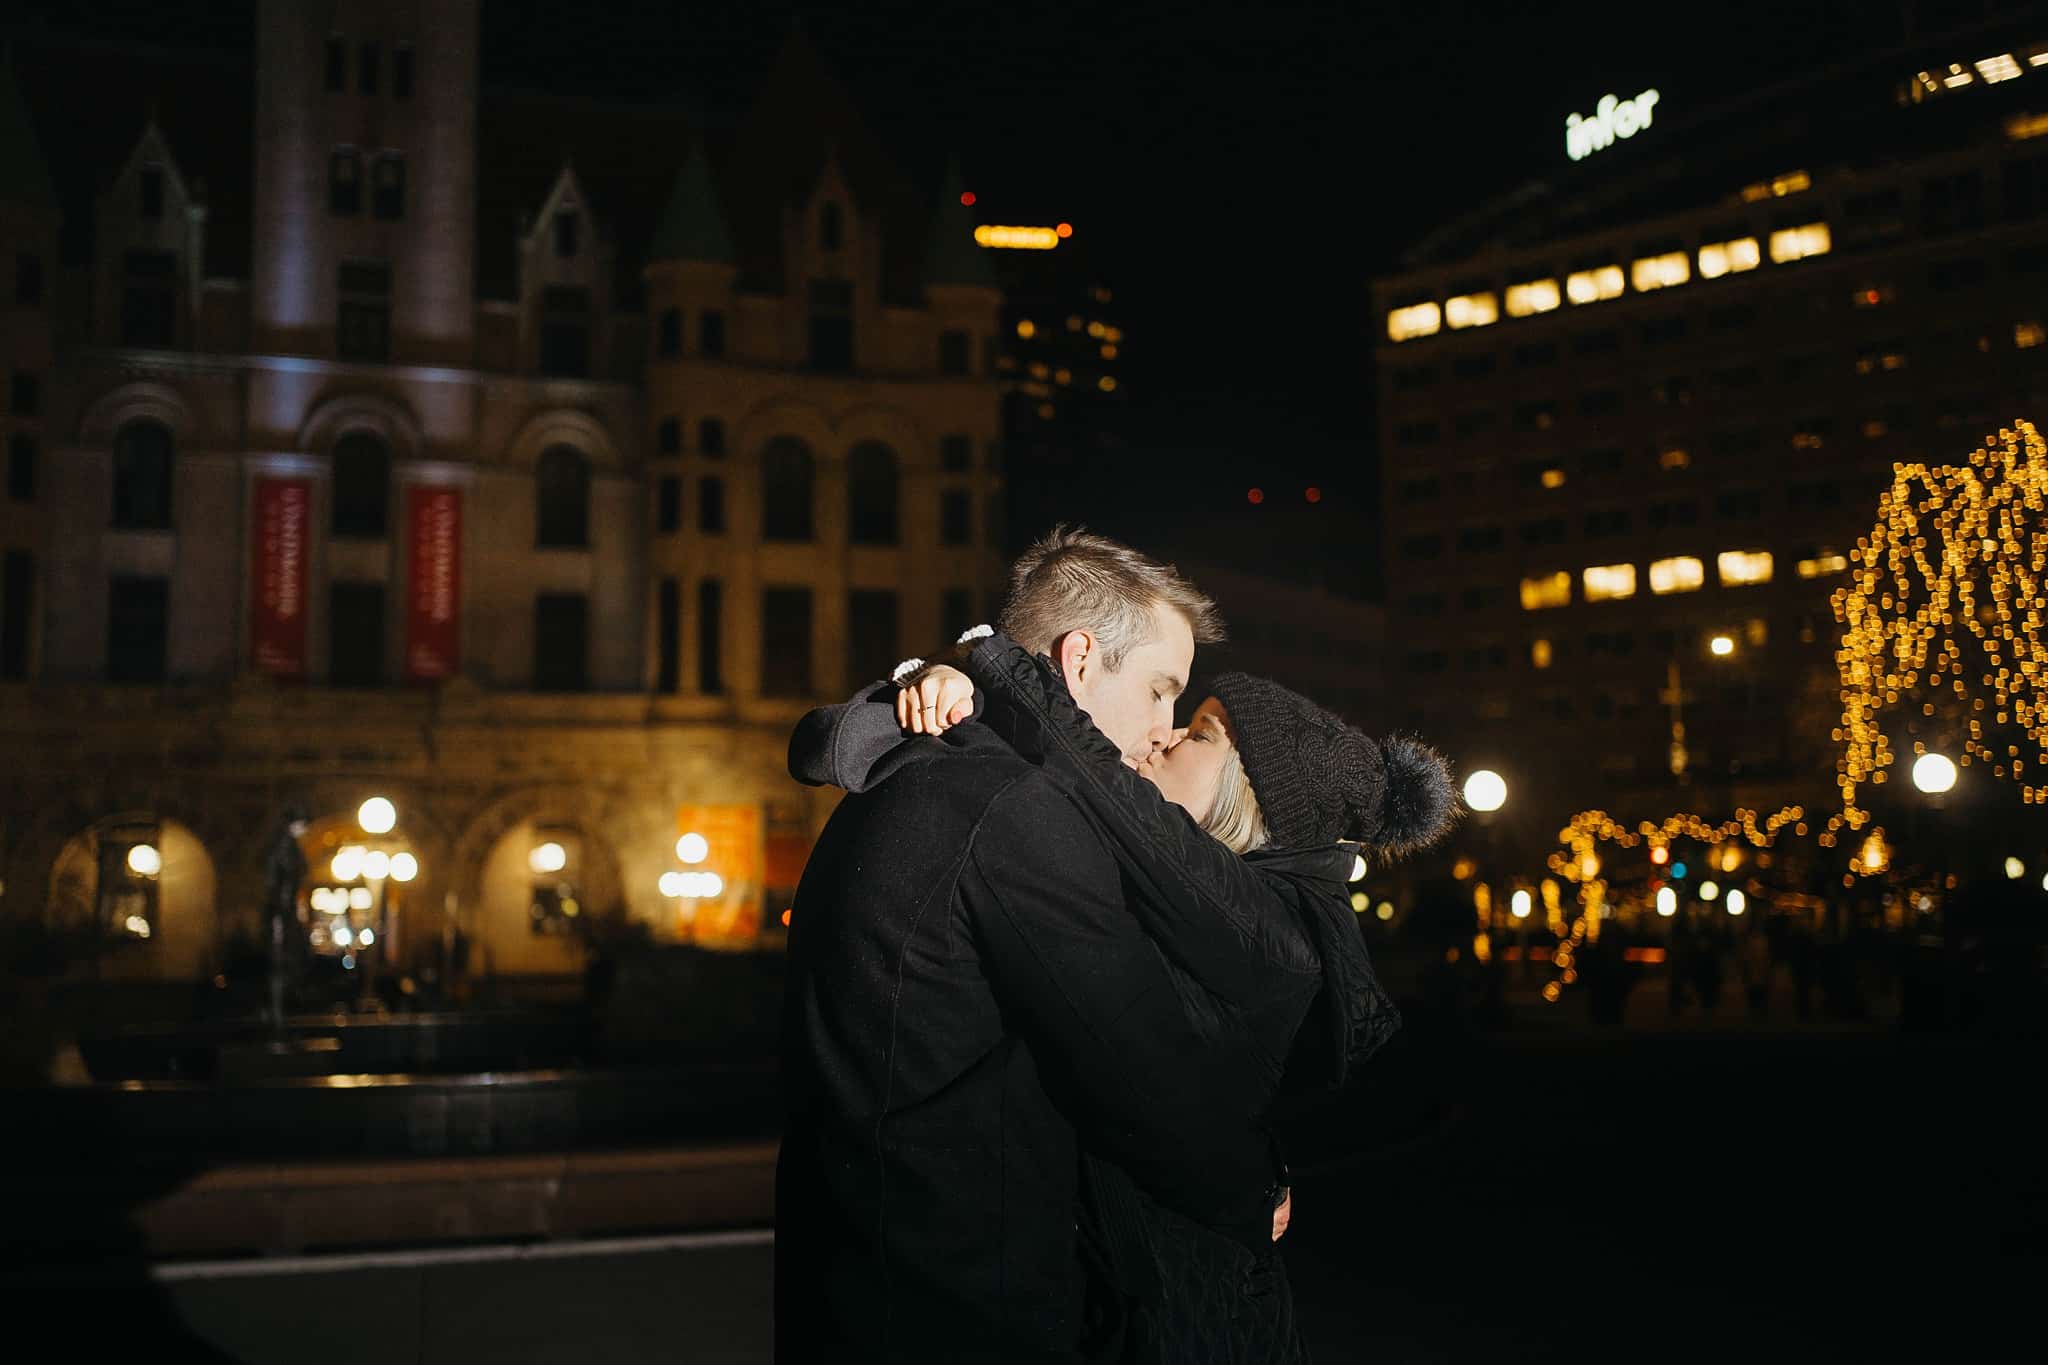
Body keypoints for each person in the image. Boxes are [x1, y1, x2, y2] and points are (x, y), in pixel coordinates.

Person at [776, 529, 1289, 1364]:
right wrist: (1250, 1181)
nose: (1164, 729)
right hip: (963, 1311)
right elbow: (1137, 1058)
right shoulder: (1013, 807)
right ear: (1080, 659)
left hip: (852, 1295)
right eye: (1161, 690)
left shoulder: (903, 775)